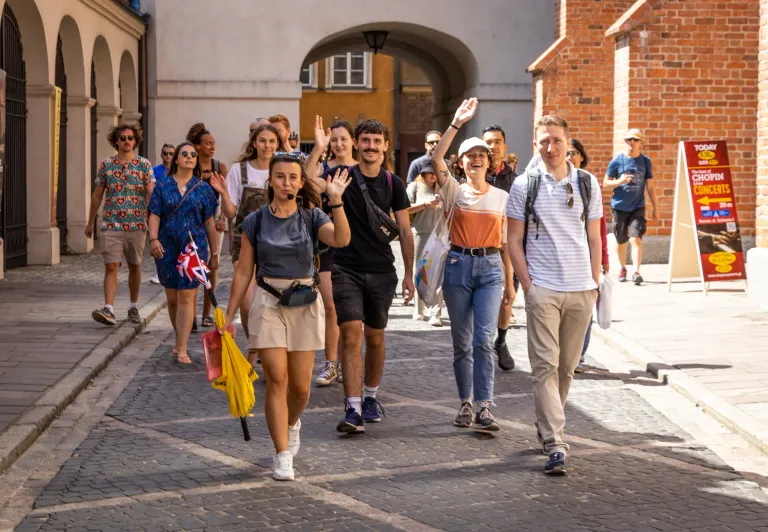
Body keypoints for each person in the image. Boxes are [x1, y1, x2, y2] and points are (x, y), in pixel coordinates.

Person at [223, 154, 352, 481]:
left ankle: (292, 423)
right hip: (267, 301)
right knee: (277, 379)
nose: (286, 183)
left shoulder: (312, 217)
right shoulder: (256, 221)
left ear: (300, 182)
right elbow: (243, 272)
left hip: (304, 301)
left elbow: (341, 239)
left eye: (293, 177)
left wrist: (336, 201)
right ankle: (282, 454)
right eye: (280, 177)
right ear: (271, 180)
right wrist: (229, 315)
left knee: (301, 388)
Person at [507, 115, 602, 475]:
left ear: (568, 143)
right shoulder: (524, 185)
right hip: (543, 288)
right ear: (536, 144)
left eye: (557, 140)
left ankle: (548, 423)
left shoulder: (587, 183)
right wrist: (529, 286)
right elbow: (513, 240)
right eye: (544, 141)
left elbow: (594, 237)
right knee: (545, 366)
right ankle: (555, 441)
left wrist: (594, 281)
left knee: (566, 368)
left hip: (581, 289)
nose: (551, 147)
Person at [431, 99, 514, 432]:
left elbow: (506, 245)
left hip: (491, 268)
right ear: (461, 162)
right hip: (458, 265)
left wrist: (510, 284)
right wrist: (456, 123)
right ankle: (465, 402)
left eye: (482, 154)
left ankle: (485, 406)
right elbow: (436, 158)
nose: (477, 158)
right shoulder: (452, 190)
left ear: (489, 162)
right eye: (470, 155)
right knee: (462, 342)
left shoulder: (502, 198)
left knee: (483, 339)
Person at [333, 119, 415, 434]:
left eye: (376, 141)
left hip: (382, 271)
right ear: (356, 143)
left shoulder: (394, 183)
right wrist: (317, 149)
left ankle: (369, 397)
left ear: (385, 146)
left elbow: (405, 230)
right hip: (345, 268)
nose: (370, 146)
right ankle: (352, 408)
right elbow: (308, 183)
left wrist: (409, 275)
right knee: (351, 334)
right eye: (365, 140)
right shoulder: (341, 176)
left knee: (375, 338)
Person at [148, 141, 225, 363]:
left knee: (187, 295)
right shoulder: (162, 186)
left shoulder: (203, 188)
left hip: (194, 249)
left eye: (193, 154)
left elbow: (209, 222)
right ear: (176, 159)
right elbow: (155, 214)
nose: (190, 157)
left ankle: (182, 347)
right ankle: (178, 338)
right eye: (185, 154)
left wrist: (214, 253)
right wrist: (153, 239)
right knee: (172, 297)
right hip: (166, 247)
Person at [305, 116, 358, 387]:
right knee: (331, 306)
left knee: (355, 312)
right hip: (328, 243)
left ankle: (351, 361)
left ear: (353, 142)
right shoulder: (325, 170)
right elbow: (305, 182)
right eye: (334, 140)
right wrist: (318, 148)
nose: (338, 144)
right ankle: (330, 364)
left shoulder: (363, 169)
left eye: (343, 139)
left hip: (358, 245)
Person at [225, 124, 286, 362]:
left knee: (273, 299)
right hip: (245, 240)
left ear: (278, 144)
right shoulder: (239, 170)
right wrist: (223, 193)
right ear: (254, 142)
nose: (267, 146)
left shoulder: (283, 170)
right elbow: (231, 212)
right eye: (262, 140)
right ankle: (254, 345)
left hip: (277, 241)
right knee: (248, 301)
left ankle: (265, 347)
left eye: (272, 141)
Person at [85, 123, 155, 326]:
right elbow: (97, 195)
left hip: (137, 224)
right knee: (111, 266)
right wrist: (90, 222)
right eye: (122, 138)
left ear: (135, 141)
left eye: (130, 138)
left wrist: (156, 220)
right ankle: (108, 309)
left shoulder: (144, 165)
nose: (127, 141)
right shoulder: (106, 165)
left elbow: (151, 192)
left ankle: (133, 307)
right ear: (116, 141)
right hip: (111, 224)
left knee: (135, 265)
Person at [564, 140, 609, 373]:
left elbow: (599, 230)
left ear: (582, 157)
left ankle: (579, 355)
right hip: (561, 259)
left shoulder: (589, 184)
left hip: (586, 259)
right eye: (566, 153)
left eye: (574, 153)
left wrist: (603, 261)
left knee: (585, 309)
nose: (570, 157)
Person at [187, 123, 235, 329]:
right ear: (198, 146)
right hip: (193, 220)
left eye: (213, 143)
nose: (212, 147)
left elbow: (226, 194)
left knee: (211, 267)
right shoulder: (190, 166)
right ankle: (191, 315)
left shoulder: (219, 167)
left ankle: (207, 313)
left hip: (214, 220)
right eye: (208, 143)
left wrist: (223, 218)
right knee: (194, 266)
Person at [482, 124, 518, 372]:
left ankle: (501, 341)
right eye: (488, 142)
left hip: (506, 247)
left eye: (497, 142)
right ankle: (481, 344)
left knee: (507, 298)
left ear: (505, 147)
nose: (492, 146)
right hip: (478, 245)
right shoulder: (474, 173)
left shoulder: (515, 180)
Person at [603, 128, 659, 286]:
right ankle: (622, 268)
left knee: (635, 238)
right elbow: (605, 183)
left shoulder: (645, 161)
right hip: (619, 206)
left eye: (635, 139)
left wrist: (655, 207)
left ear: (641, 143)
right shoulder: (617, 161)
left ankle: (636, 272)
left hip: (637, 206)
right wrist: (620, 181)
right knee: (621, 240)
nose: (632, 142)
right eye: (629, 139)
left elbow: (650, 186)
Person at [406, 165, 444, 326]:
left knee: (439, 273)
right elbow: (405, 209)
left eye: (436, 173)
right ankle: (419, 308)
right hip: (420, 232)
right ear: (423, 174)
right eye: (430, 173)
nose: (434, 176)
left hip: (441, 235)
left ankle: (435, 313)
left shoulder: (445, 187)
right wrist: (425, 205)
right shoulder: (415, 187)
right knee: (420, 271)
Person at [150, 144, 176, 285]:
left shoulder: (177, 170)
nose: (168, 156)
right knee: (158, 240)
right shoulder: (155, 171)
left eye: (171, 153)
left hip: (174, 210)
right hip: (159, 211)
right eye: (165, 153)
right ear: (161, 155)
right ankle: (159, 270)